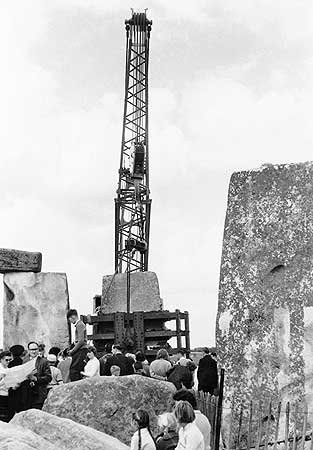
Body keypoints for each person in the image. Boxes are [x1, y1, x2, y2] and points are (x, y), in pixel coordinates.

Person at [27, 341, 52, 409]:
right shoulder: (24, 361)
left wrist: (36, 379)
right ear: (28, 350)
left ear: (38, 350)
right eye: (32, 350)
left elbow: (49, 377)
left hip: (39, 395)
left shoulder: (44, 361)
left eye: (35, 349)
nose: (34, 351)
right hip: (27, 395)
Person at [67, 309, 88, 382]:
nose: (70, 322)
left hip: (81, 350)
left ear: (72, 317)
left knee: (74, 371)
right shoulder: (80, 324)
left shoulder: (80, 325)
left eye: (69, 319)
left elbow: (81, 341)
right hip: (80, 349)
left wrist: (72, 351)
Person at [0, 350, 13, 422]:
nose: (8, 362)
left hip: (7, 395)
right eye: (6, 360)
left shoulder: (9, 369)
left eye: (10, 360)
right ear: (1, 360)